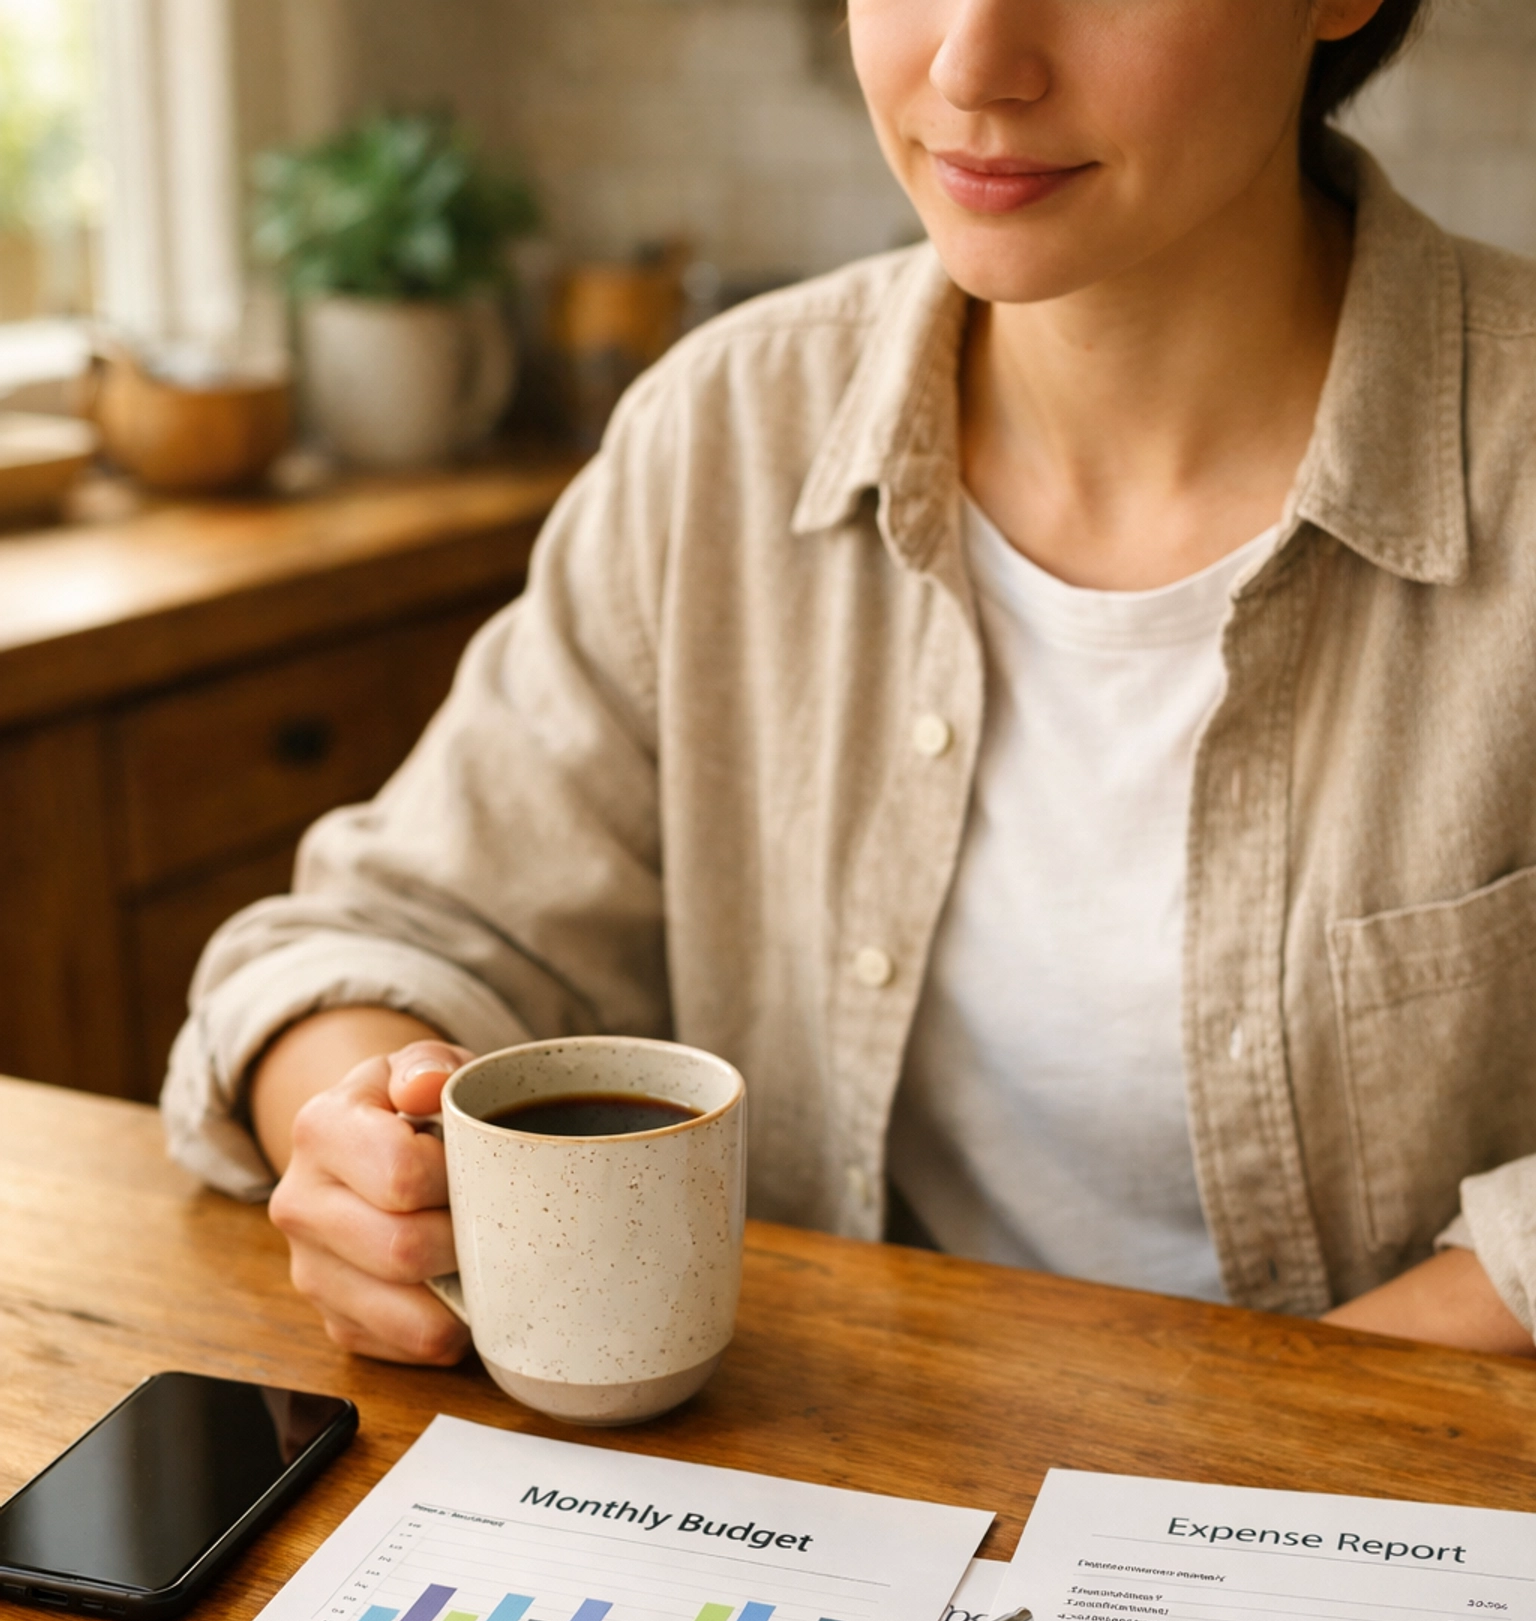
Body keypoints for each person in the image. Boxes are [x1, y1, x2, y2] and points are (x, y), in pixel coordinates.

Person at [166, 0, 1536, 1368]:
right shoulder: (724, 435)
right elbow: (379, 933)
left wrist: (1259, 1454)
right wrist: (369, 1150)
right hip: (836, 1512)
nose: (972, 65)